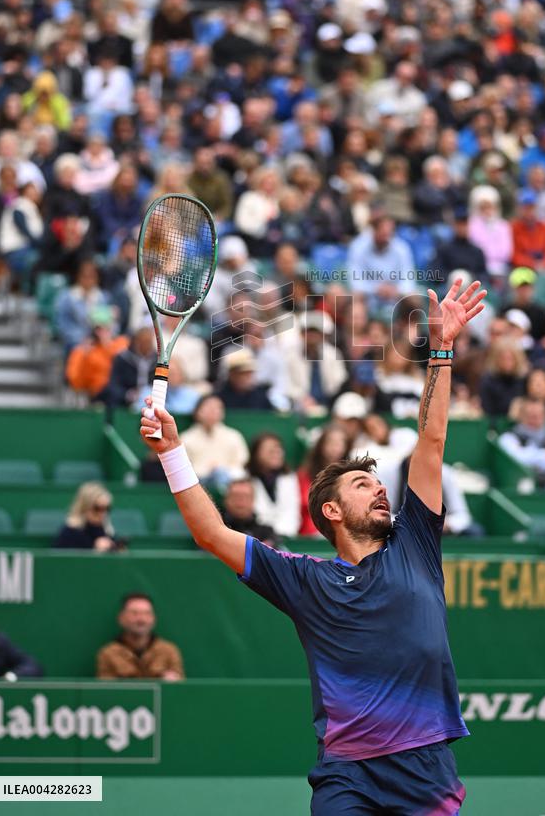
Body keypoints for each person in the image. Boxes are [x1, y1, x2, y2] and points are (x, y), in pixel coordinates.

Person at [140, 277, 487, 816]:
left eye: (377, 485)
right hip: (347, 773)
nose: (379, 490)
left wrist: (440, 350)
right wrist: (172, 453)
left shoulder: (416, 544)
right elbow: (211, 534)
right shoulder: (305, 578)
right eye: (362, 485)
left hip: (426, 767)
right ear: (330, 511)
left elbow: (432, 440)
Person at [96, 593, 185, 680]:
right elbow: (107, 691)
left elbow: (180, 689)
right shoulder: (108, 654)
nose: (141, 619)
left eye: (147, 613)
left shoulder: (169, 651)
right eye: (134, 613)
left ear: (154, 618)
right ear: (121, 618)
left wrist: (173, 681)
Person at [498, 398, 545, 490]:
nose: (535, 418)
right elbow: (516, 460)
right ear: (521, 416)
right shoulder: (508, 437)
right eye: (530, 415)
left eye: (539, 415)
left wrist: (528, 455)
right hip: (520, 489)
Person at [179, 395, 249, 490]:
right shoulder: (186, 438)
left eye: (217, 408)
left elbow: (241, 462)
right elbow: (183, 469)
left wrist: (221, 469)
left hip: (230, 481)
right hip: (198, 482)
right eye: (208, 407)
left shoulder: (234, 435)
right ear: (198, 412)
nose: (213, 411)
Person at [297, 426, 351, 537]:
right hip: (311, 532)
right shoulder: (305, 474)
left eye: (341, 443)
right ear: (321, 445)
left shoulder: (352, 474)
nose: (336, 447)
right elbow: (304, 504)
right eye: (331, 442)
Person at [247, 432, 301, 538]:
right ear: (256, 453)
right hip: (256, 539)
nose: (276, 453)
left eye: (278, 450)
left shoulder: (289, 477)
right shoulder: (243, 477)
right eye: (270, 451)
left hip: (286, 537)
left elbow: (292, 513)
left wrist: (278, 534)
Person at [54, 482, 120, 551]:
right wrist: (94, 550)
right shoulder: (70, 532)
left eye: (107, 508)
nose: (103, 514)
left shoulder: (106, 531)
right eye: (97, 508)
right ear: (85, 507)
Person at [221, 477, 278, 545]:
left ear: (253, 500)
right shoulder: (216, 529)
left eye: (245, 496)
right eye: (236, 496)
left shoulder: (266, 533)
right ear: (226, 500)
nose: (240, 501)